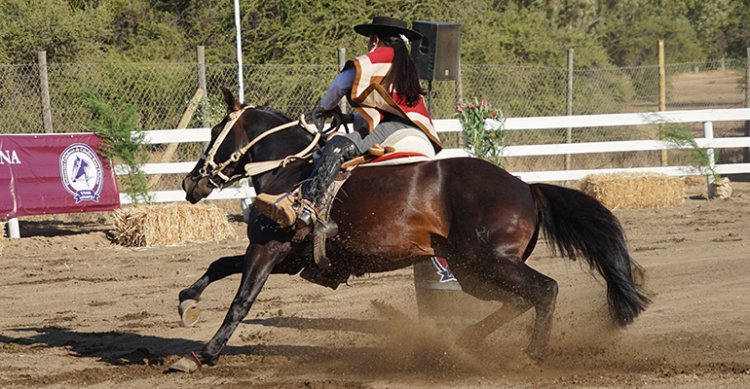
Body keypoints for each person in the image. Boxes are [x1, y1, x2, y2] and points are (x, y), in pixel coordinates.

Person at [254, 16, 442, 236]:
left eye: (370, 40)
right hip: (421, 136)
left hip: (395, 130)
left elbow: (340, 85)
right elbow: (384, 108)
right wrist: (351, 118)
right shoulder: (406, 65)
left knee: (335, 147)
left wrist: (325, 108)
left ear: (375, 39)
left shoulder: (378, 57)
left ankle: (307, 207)